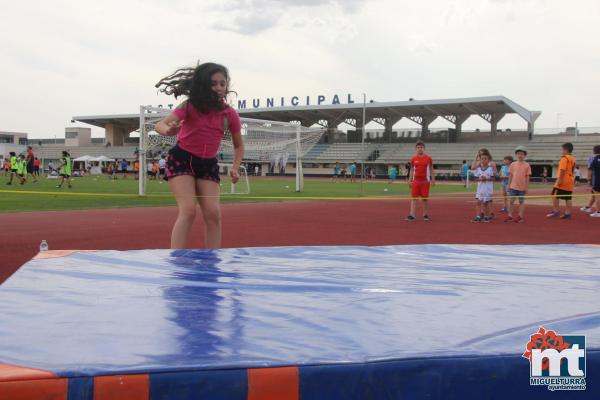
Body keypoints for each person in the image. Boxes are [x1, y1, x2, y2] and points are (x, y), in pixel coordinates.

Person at [154, 62, 244, 249]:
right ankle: (176, 258)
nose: (219, 88)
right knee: (188, 211)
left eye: (222, 83)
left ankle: (212, 258)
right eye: (214, 83)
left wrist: (235, 168)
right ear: (203, 85)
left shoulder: (230, 114)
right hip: (182, 159)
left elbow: (238, 145)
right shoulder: (189, 106)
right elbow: (160, 125)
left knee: (213, 214)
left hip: (208, 164)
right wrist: (169, 130)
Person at [406, 141, 435, 221]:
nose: (420, 149)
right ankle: (412, 214)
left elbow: (431, 169)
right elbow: (411, 170)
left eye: (421, 147)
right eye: (418, 148)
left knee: (425, 199)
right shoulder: (413, 159)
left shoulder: (429, 158)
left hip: (425, 181)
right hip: (416, 181)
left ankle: (425, 214)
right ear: (416, 149)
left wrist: (433, 179)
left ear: (424, 148)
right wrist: (409, 180)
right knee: (414, 198)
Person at [546, 143, 575, 219]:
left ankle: (556, 211)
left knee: (554, 195)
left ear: (566, 150)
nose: (562, 151)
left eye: (562, 149)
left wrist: (560, 180)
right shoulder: (572, 158)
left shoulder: (564, 158)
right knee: (568, 198)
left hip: (563, 180)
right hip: (570, 180)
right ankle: (568, 213)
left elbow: (562, 170)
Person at [505, 147, 531, 223]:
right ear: (516, 155)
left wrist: (526, 187)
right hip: (513, 186)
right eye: (518, 154)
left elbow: (527, 176)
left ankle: (520, 217)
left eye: (522, 154)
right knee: (511, 201)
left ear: (524, 155)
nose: (520, 155)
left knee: (521, 202)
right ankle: (510, 216)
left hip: (522, 188)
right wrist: (508, 185)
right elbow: (510, 175)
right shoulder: (513, 164)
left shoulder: (527, 165)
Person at [471, 150, 496, 223]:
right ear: (480, 160)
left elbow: (494, 178)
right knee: (478, 202)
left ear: (488, 160)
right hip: (480, 189)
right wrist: (480, 179)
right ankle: (478, 216)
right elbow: (475, 178)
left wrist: (486, 179)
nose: (483, 160)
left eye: (485, 158)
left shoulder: (490, 168)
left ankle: (486, 216)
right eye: (482, 158)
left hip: (488, 189)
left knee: (486, 203)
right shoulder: (478, 169)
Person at [582, 145, 600, 217]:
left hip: (597, 181)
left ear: (594, 151)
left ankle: (598, 212)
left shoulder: (594, 159)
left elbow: (590, 170)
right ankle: (589, 207)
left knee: (597, 196)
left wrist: (588, 179)